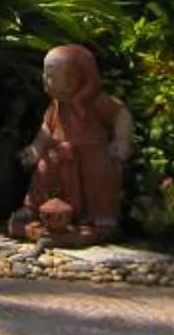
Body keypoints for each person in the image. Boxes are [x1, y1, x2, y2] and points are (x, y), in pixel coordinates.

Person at [8, 44, 133, 247]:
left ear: (77, 78)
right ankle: (33, 208)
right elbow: (47, 130)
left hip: (93, 153)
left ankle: (101, 216)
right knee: (44, 169)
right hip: (62, 155)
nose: (44, 80)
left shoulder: (97, 102)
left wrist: (121, 140)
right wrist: (36, 148)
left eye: (51, 75)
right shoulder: (57, 106)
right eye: (45, 74)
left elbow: (121, 115)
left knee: (102, 171)